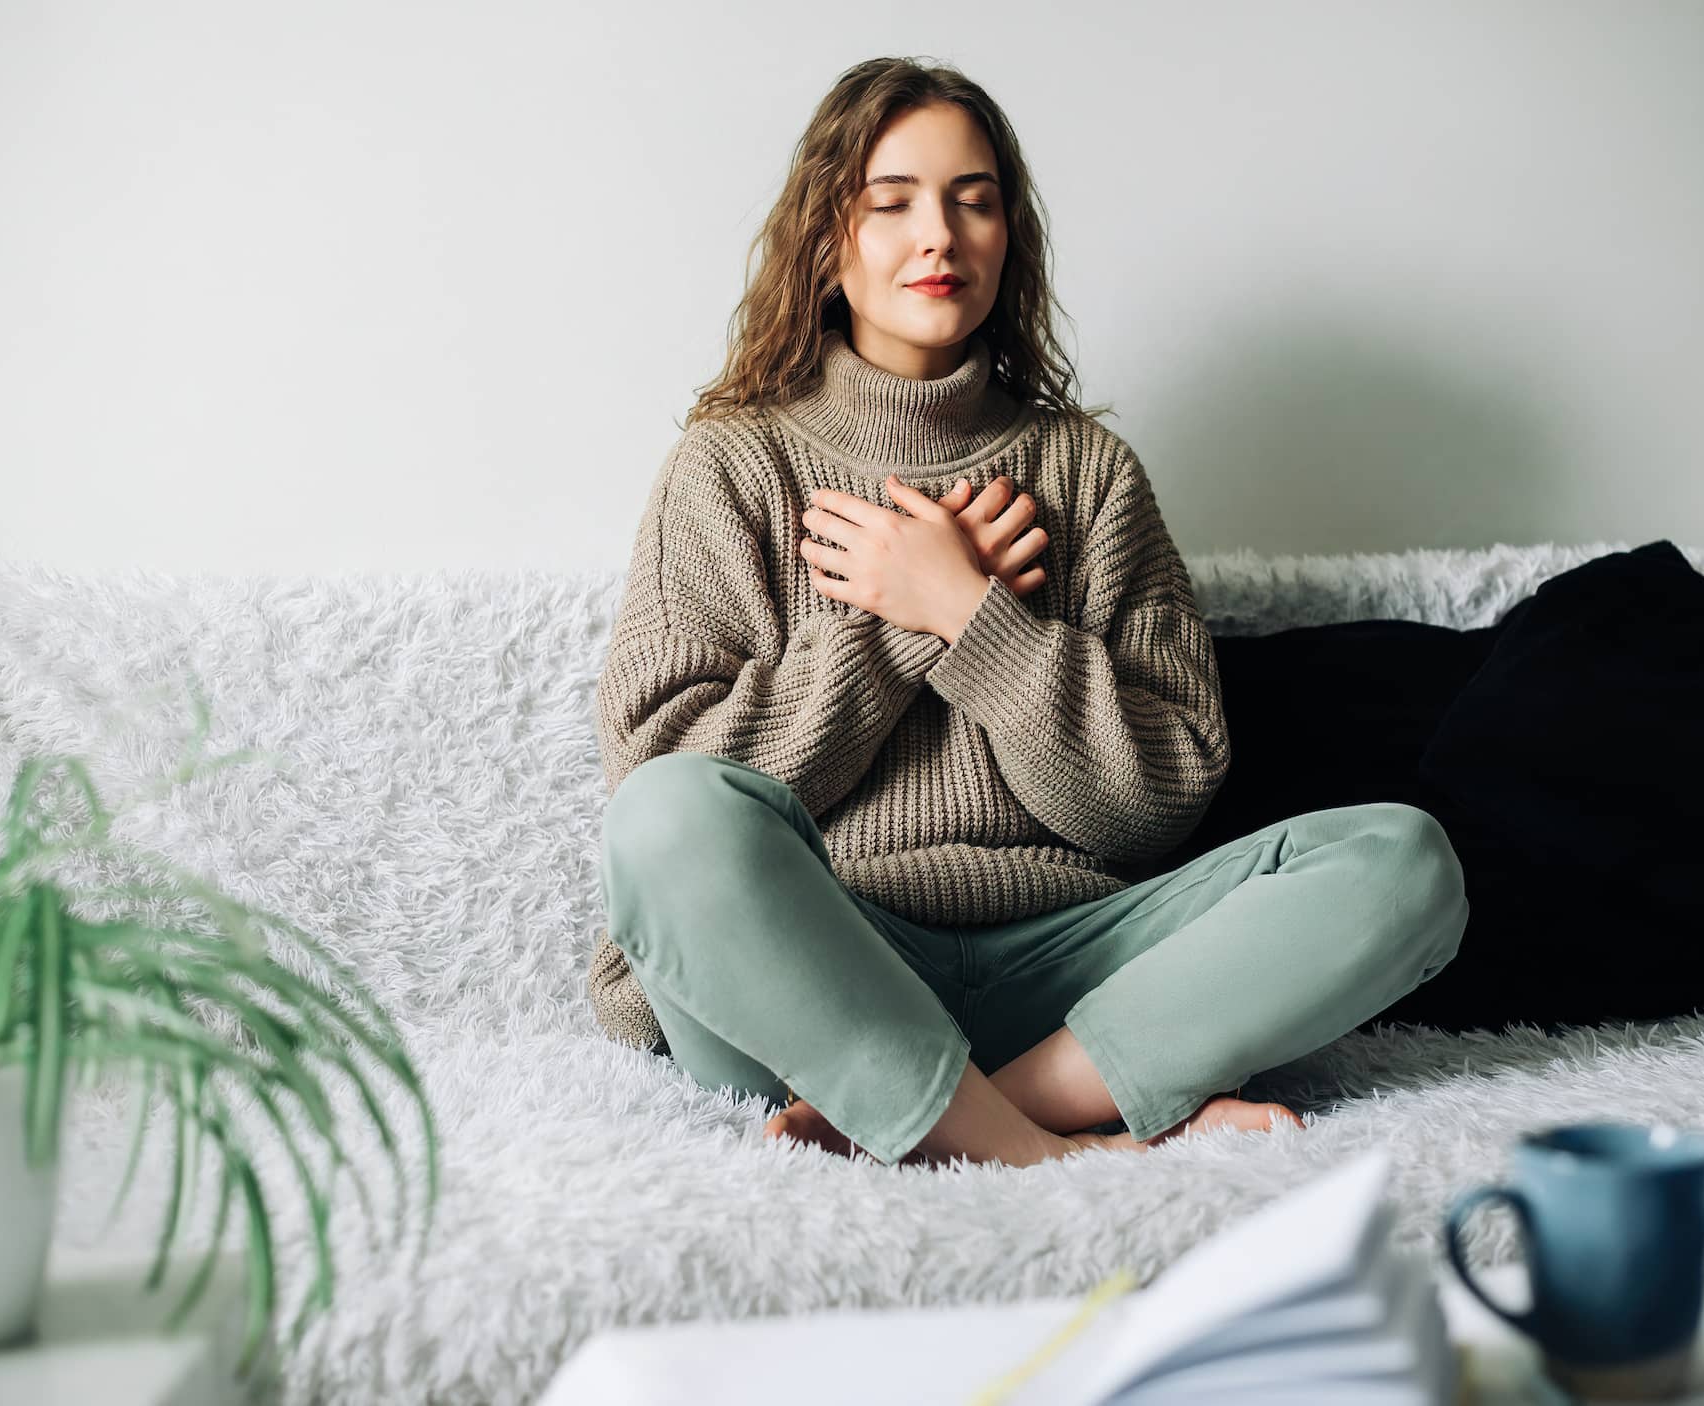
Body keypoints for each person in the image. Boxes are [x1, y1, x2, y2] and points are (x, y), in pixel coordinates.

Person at [591, 57, 1469, 1170]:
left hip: (1083, 979)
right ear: (827, 236)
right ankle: (1053, 1144)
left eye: (975, 197)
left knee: (1406, 861)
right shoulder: (730, 465)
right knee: (662, 816)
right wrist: (894, 624)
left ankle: (979, 1116)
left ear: (1011, 234)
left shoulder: (1088, 472)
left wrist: (974, 614)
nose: (941, 235)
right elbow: (666, 779)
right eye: (892, 198)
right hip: (823, 983)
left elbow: (1152, 805)